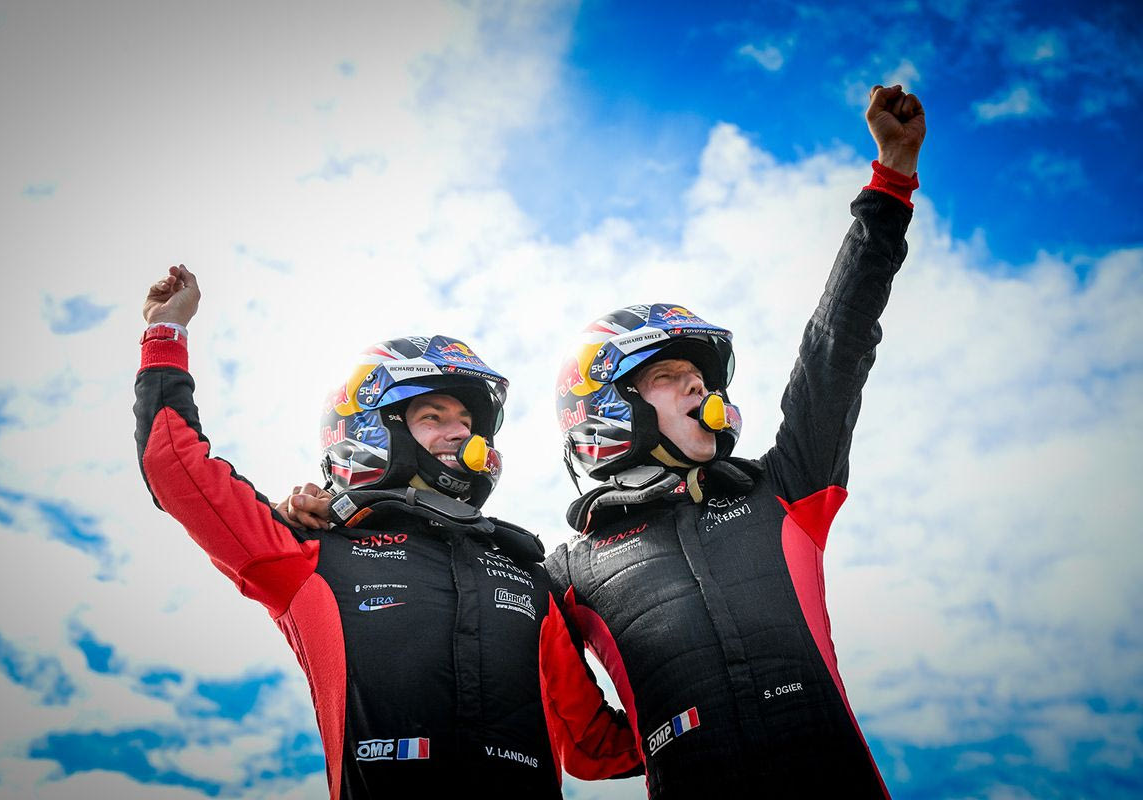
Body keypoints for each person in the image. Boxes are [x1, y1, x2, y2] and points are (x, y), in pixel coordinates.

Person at [543, 84, 925, 797]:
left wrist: (892, 180)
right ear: (607, 407)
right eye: (669, 376)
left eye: (700, 378)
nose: (699, 389)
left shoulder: (785, 487)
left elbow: (836, 347)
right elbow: (588, 749)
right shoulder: (563, 573)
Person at [133, 268, 639, 799]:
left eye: (467, 422)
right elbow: (177, 469)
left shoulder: (528, 577)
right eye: (433, 416)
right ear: (375, 430)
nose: (461, 432)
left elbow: (593, 747)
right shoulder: (310, 552)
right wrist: (167, 332)